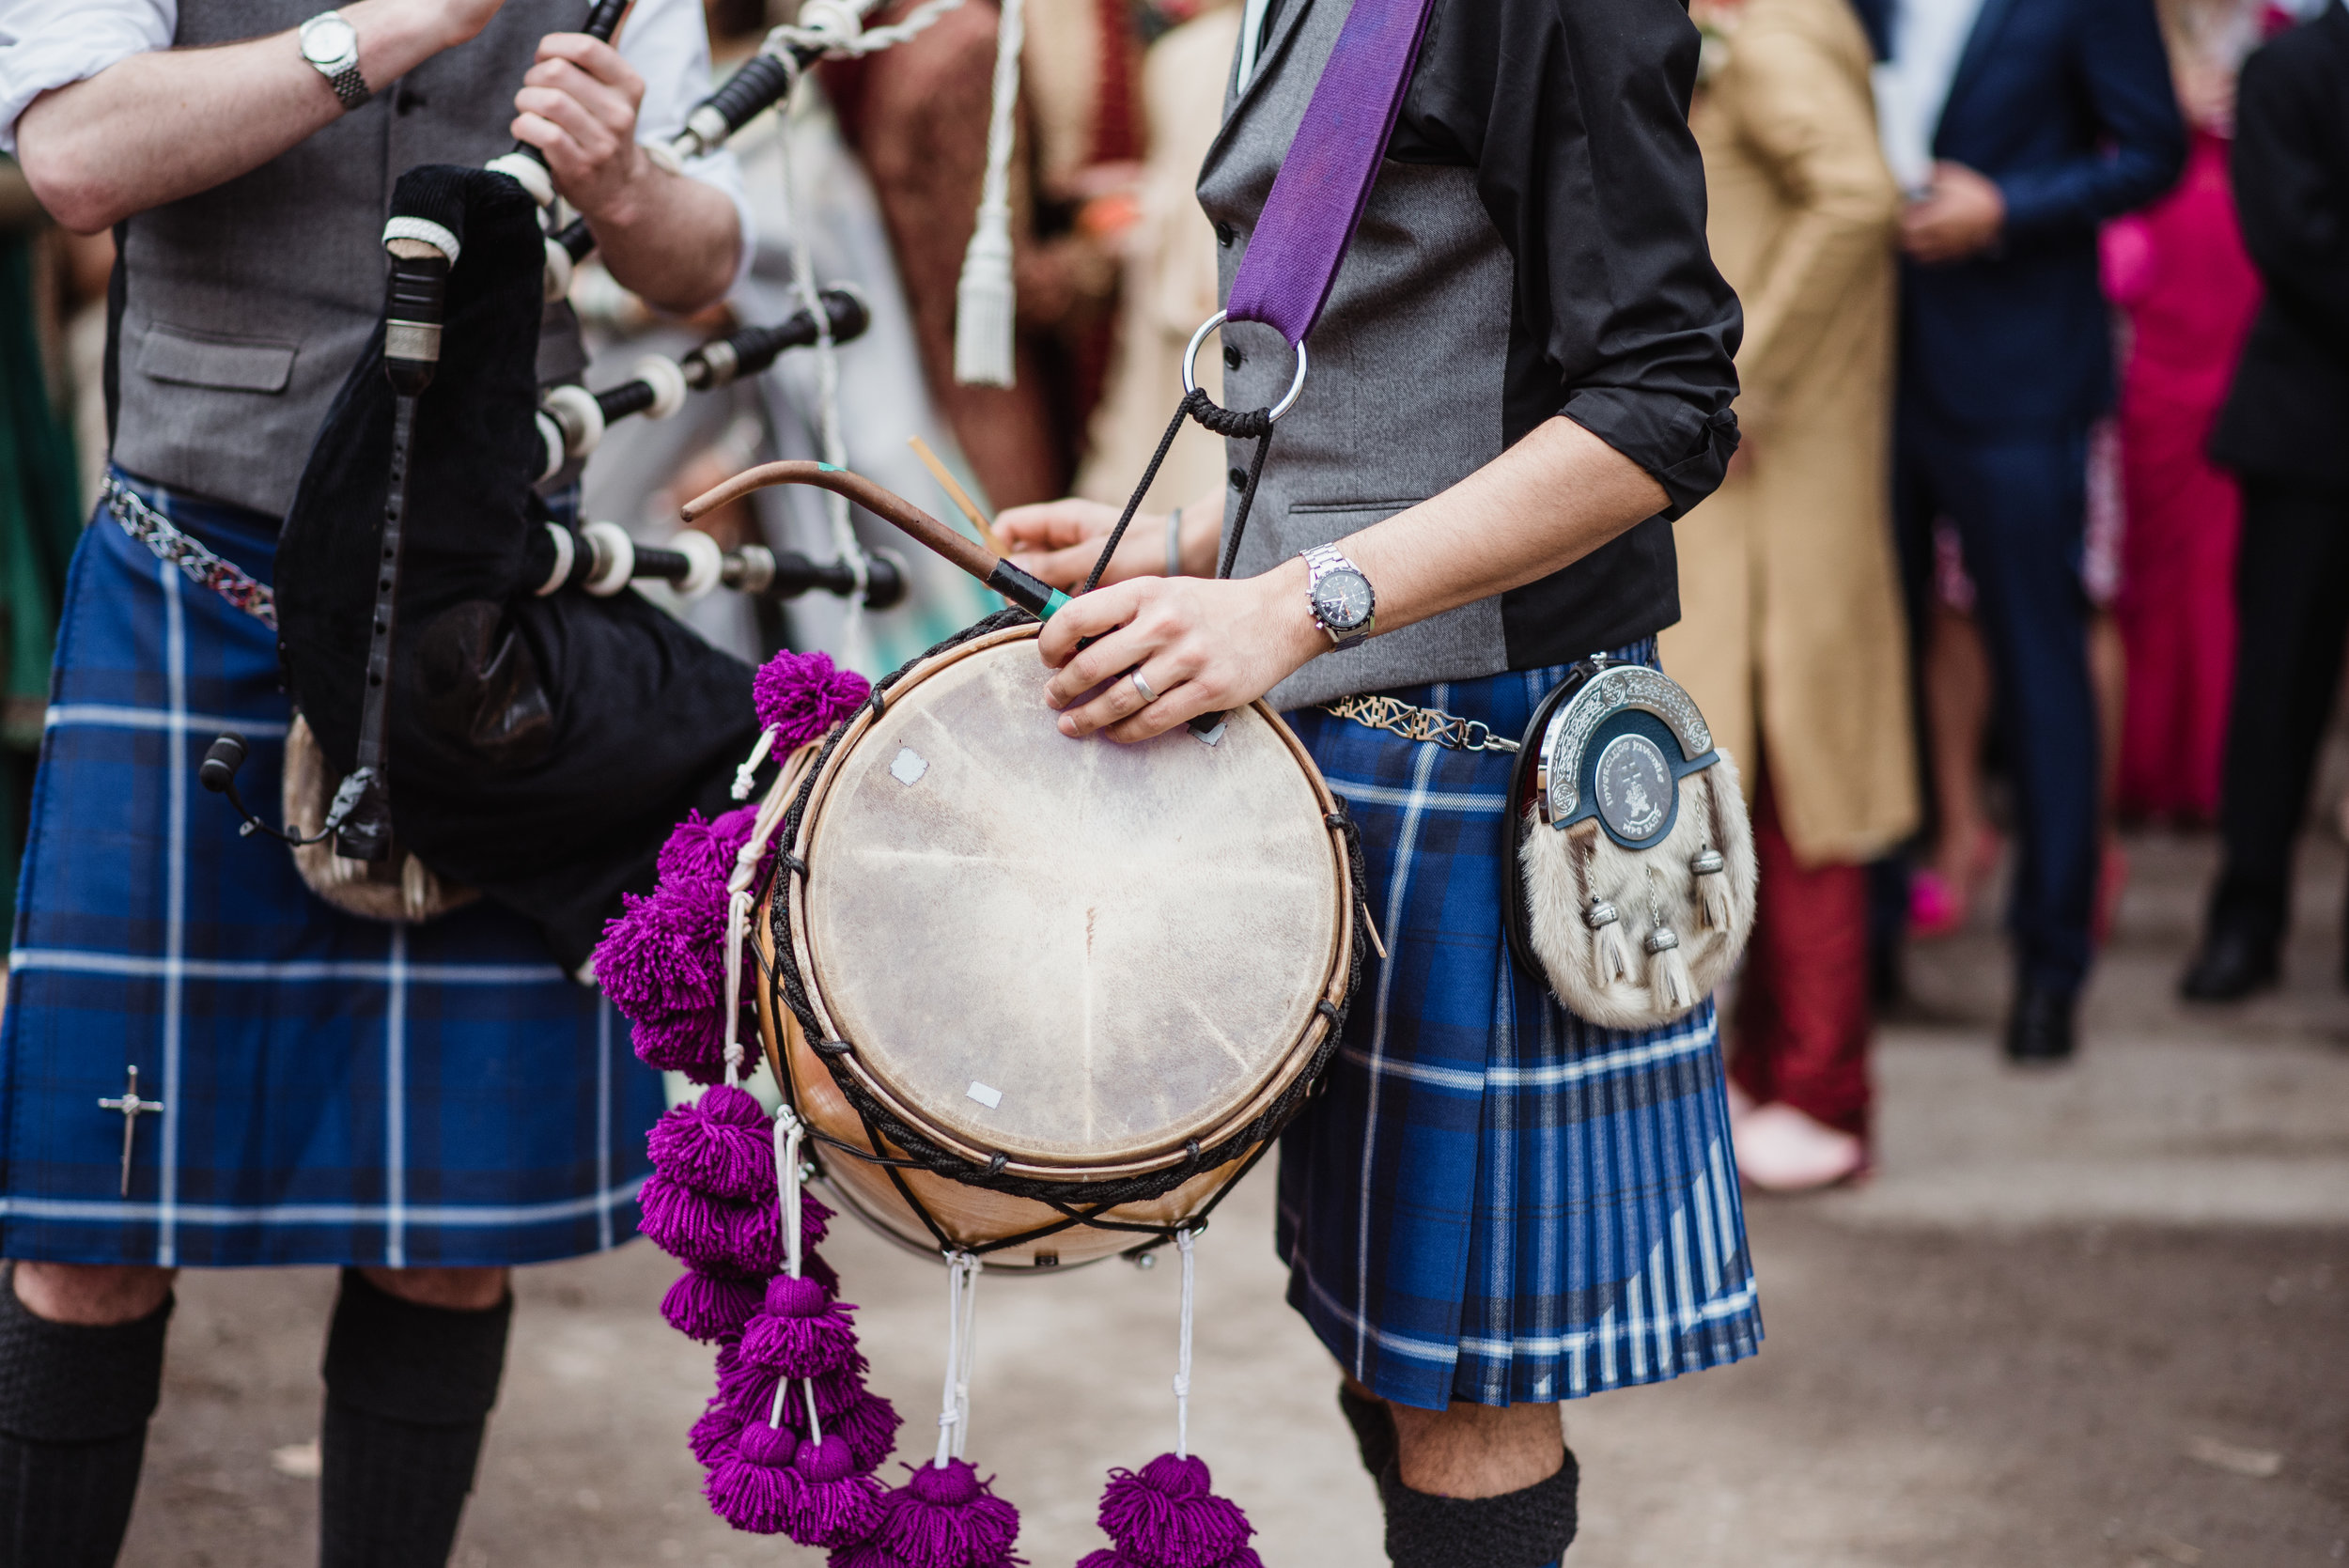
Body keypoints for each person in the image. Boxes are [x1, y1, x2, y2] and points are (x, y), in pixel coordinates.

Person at [998, 0, 1757, 1560]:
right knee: (1378, 1341)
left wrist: (1287, 605)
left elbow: (1660, 404)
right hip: (1345, 748)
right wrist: (1198, 550)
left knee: (1464, 1384)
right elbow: (1402, 389)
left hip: (1487, 763)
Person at [0, 1, 744, 1561]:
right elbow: (70, 156)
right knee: (87, 1230)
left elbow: (699, 262)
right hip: (199, 590)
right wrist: (406, 25)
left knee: (448, 1234)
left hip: (472, 637)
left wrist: (622, 182)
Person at [1869, 0, 2185, 1062]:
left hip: (2018, 372)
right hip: (1870, 367)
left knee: (2039, 662)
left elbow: (2150, 150)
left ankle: (2051, 967)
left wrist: (2007, 206)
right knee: (1871, 654)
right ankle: (1867, 953)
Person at [1669, 0, 1917, 1190]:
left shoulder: (1765, 34)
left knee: (1785, 772)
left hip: (1764, 474)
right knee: (1753, 767)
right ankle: (1770, 1070)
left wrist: (1730, 378)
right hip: (1765, 471)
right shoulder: (1783, 21)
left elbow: (1858, 196)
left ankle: (1818, 1083)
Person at [2178, 0, 2349, 1001]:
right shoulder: (2289, 74)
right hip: (2306, 435)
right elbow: (2296, 242)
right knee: (2276, 693)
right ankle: (2246, 914)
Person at [2107, 0, 2267, 826]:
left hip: (2245, 291)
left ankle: (2211, 770)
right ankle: (2141, 766)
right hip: (2153, 293)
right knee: (2146, 545)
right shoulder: (2123, 27)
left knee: (2224, 549)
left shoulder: (2279, 31)